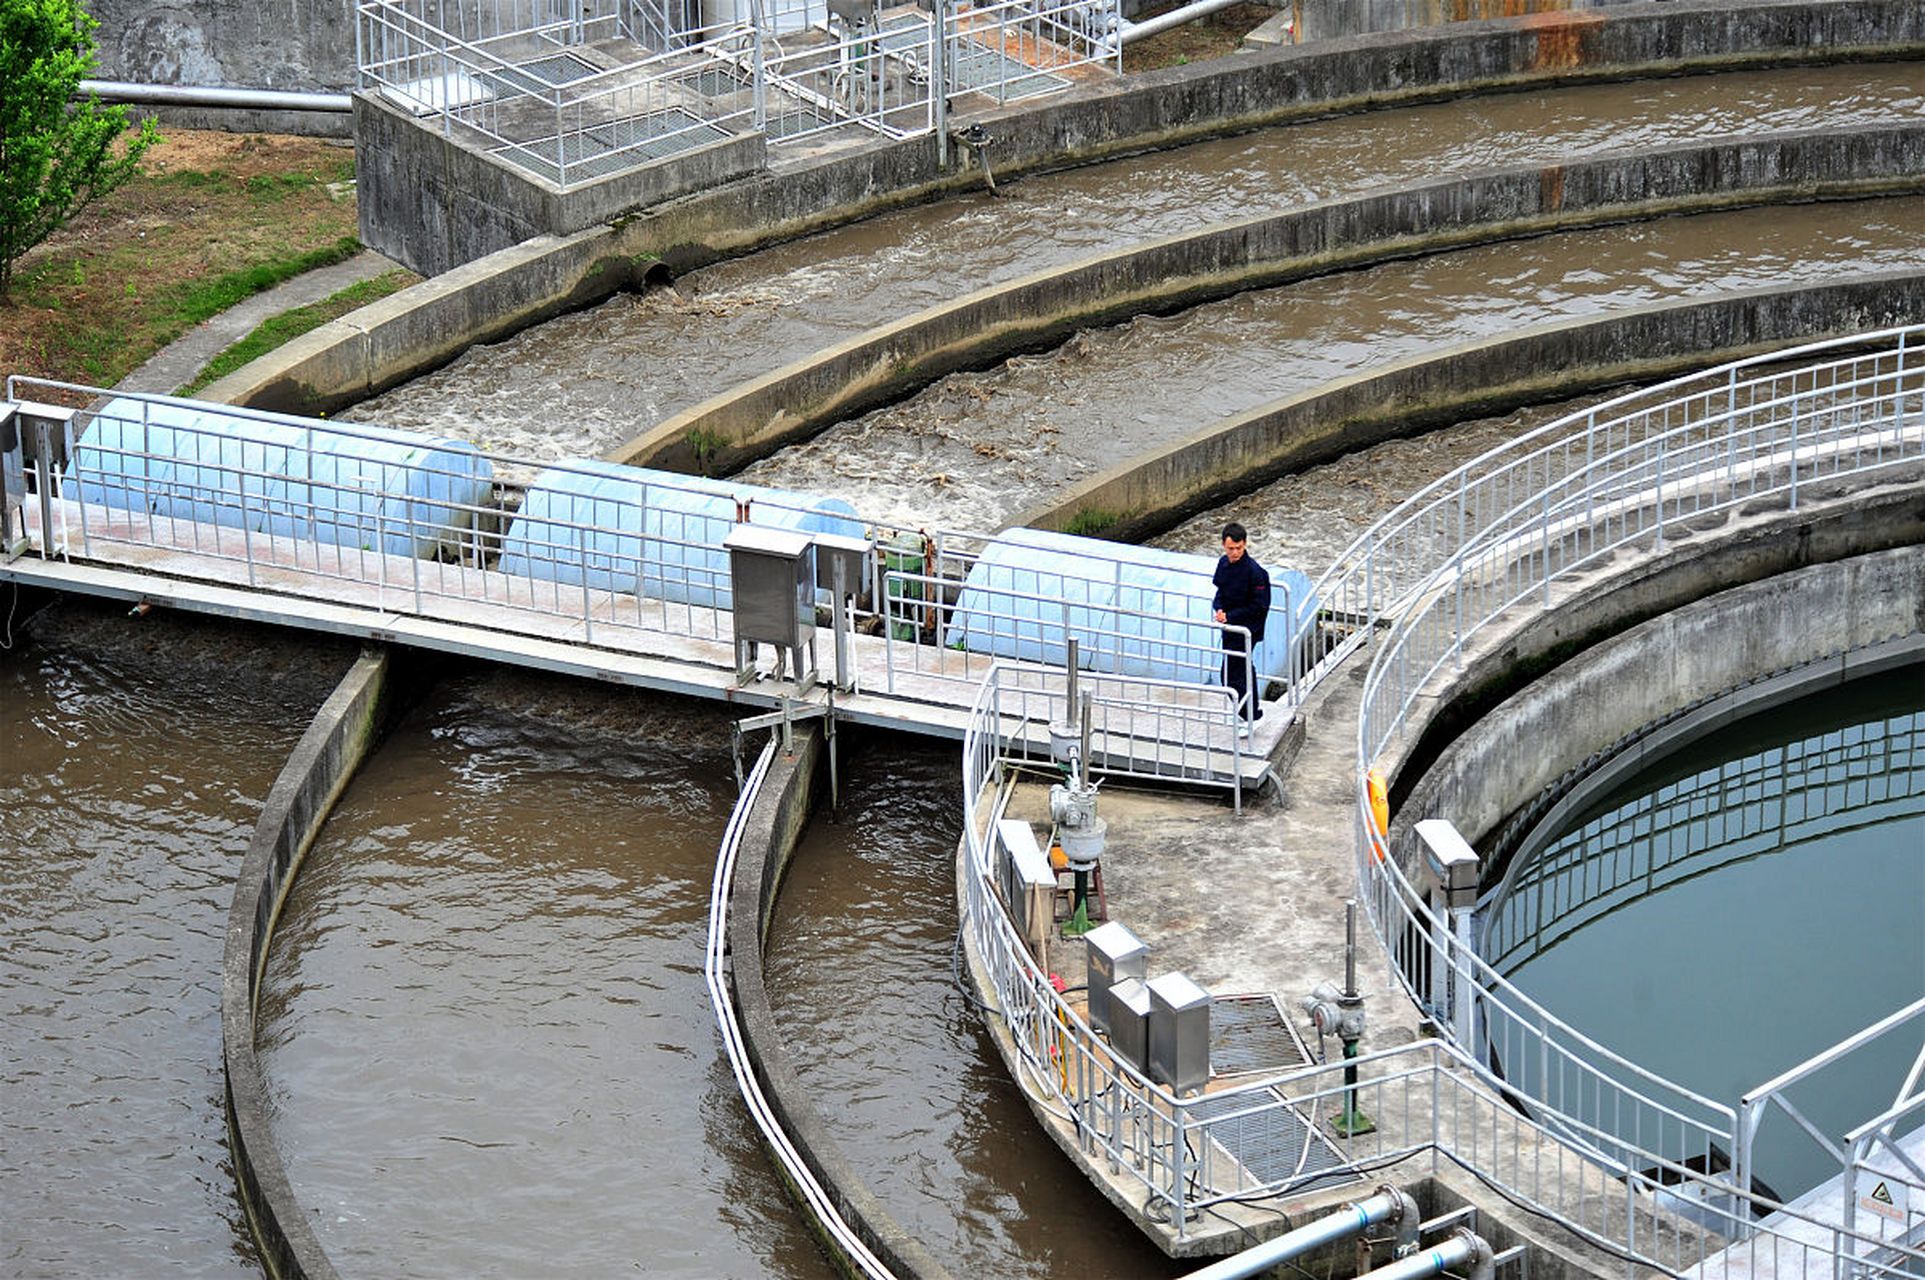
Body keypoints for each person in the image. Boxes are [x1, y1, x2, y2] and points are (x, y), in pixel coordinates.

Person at [1211, 522, 1269, 734]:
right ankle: (1248, 714)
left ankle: (1252, 716)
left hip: (1247, 630)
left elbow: (1259, 606)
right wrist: (1218, 609)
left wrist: (1231, 615)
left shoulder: (1255, 573)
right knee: (1231, 673)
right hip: (1229, 627)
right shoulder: (1223, 565)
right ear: (1223, 546)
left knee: (1237, 673)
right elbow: (1221, 592)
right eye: (1230, 549)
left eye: (1238, 548)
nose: (1234, 552)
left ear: (1245, 545)